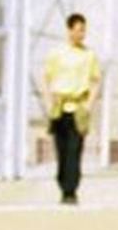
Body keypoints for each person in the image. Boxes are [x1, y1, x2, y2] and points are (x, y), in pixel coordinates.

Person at [42, 13, 101, 205]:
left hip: (78, 106)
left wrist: (89, 104)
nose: (81, 34)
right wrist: (49, 101)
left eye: (83, 30)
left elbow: (95, 80)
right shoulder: (57, 54)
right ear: (69, 30)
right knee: (62, 149)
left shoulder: (88, 55)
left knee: (75, 150)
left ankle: (71, 190)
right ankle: (62, 182)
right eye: (77, 30)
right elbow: (47, 78)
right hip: (60, 105)